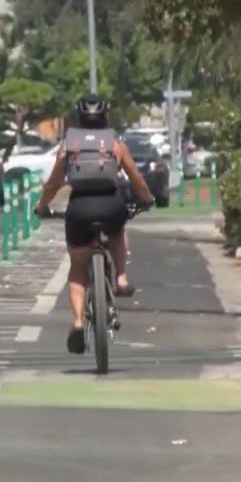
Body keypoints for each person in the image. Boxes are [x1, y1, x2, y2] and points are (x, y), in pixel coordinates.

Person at [34, 96, 154, 354]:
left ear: (77, 118)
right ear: (106, 117)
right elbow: (136, 179)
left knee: (78, 266)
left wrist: (41, 206)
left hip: (79, 210)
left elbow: (53, 183)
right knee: (118, 230)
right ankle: (121, 279)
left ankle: (78, 323)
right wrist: (147, 199)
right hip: (111, 205)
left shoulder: (68, 146)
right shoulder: (116, 144)